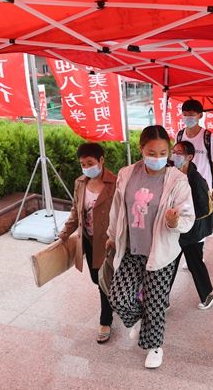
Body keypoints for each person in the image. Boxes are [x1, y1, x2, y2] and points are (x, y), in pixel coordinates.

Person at [107, 125, 194, 369]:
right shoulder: (126, 174)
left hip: (161, 252)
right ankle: (137, 320)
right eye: (152, 152)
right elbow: (117, 208)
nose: (158, 158)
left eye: (163, 153)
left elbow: (188, 217)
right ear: (141, 149)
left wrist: (175, 221)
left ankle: (155, 346)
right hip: (131, 247)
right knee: (118, 298)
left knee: (155, 303)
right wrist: (112, 235)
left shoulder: (177, 180)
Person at [58, 143, 117, 344]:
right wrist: (65, 232)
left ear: (101, 160)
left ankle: (105, 321)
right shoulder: (80, 183)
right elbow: (76, 211)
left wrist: (117, 237)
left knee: (103, 281)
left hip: (110, 243)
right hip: (89, 240)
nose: (86, 167)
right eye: (83, 164)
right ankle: (118, 300)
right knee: (96, 279)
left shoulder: (115, 183)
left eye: (90, 163)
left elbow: (123, 215)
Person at [169, 141, 213, 309]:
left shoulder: (196, 179)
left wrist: (185, 214)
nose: (174, 155)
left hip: (191, 231)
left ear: (189, 157)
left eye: (179, 153)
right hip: (177, 228)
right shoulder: (172, 173)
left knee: (194, 263)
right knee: (170, 261)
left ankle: (209, 293)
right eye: (173, 151)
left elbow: (204, 207)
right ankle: (161, 298)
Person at [176, 99, 213, 205]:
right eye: (185, 115)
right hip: (183, 185)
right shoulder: (180, 135)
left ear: (200, 116)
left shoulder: (208, 137)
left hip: (203, 187)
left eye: (191, 115)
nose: (187, 118)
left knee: (202, 219)